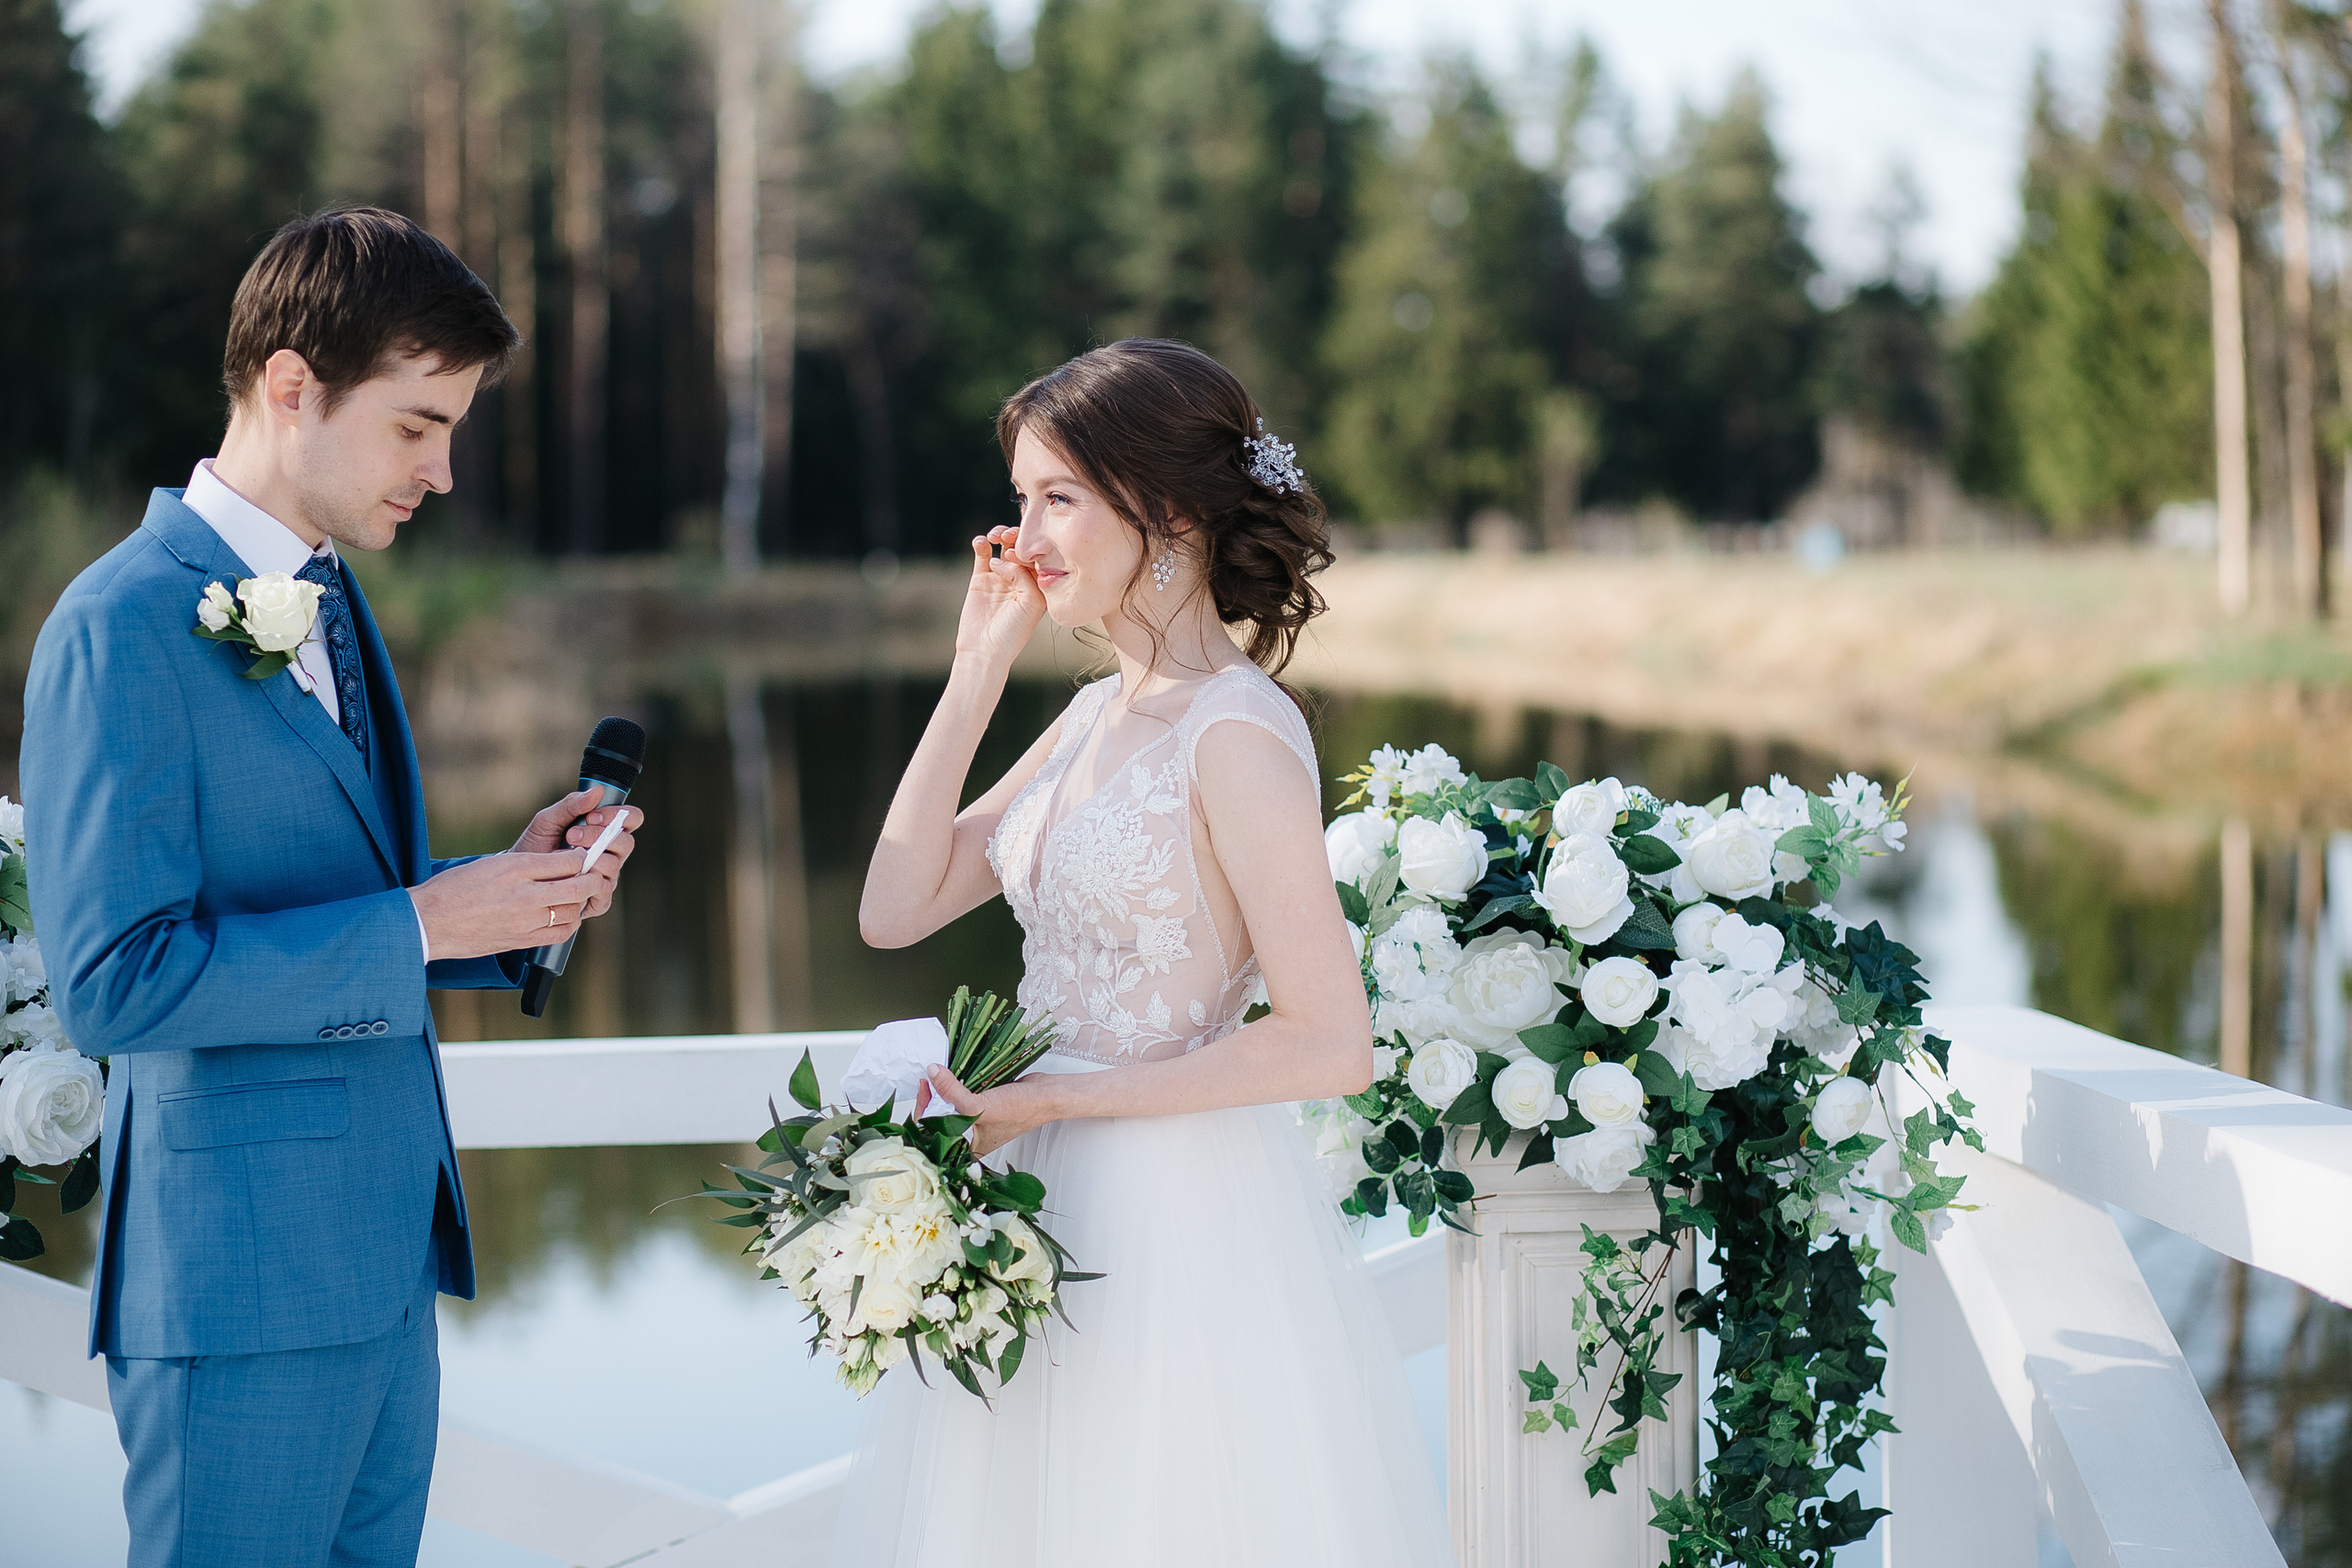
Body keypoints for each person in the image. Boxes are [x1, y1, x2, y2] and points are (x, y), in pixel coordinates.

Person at [18, 206, 643, 1568]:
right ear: (293, 387)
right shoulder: (116, 626)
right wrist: (423, 919)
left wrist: (503, 899)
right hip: (234, 1296)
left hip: (380, 1268)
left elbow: (336, 892)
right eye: (419, 426)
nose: (447, 471)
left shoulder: (337, 600)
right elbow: (118, 983)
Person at [850, 338, 1453, 1566]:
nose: (1024, 536)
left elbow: (1331, 1045)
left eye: (1058, 497)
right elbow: (893, 909)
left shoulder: (1237, 733)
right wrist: (975, 671)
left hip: (1171, 1213)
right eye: (1021, 498)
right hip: (1032, 1186)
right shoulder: (1087, 717)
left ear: (1167, 511)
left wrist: (1056, 1098)